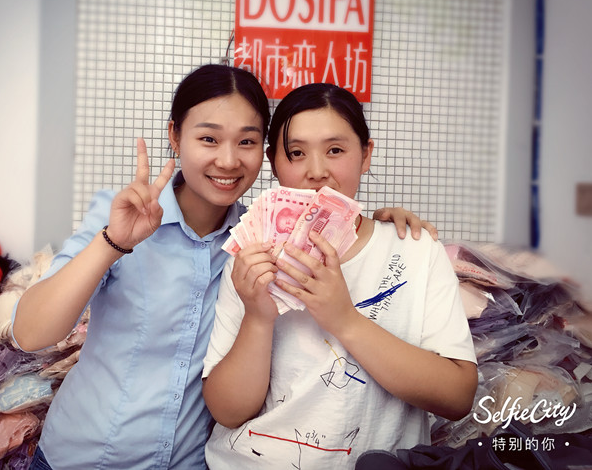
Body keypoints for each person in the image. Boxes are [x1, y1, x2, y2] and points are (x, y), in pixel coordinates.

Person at [12, 65, 437, 470]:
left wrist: (377, 225)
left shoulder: (261, 240)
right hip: (83, 456)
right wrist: (114, 243)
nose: (229, 161)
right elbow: (31, 335)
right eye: (209, 139)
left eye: (246, 142)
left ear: (265, 153)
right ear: (175, 136)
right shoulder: (119, 216)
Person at [201, 83, 478, 470]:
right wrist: (258, 318)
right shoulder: (251, 256)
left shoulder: (416, 251)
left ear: (366, 154)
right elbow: (228, 412)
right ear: (273, 162)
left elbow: (457, 397)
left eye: (335, 150)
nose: (317, 171)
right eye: (296, 153)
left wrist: (344, 319)